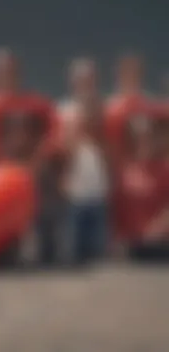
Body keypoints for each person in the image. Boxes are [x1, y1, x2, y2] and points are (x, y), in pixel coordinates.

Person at [0, 47, 59, 265]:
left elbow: (52, 135)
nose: (4, 76)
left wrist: (36, 161)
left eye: (8, 71)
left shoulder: (35, 104)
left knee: (42, 207)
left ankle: (48, 250)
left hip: (34, 169)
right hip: (1, 174)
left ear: (17, 73)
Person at [60, 59, 109, 265]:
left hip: (99, 190)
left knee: (98, 253)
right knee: (74, 250)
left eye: (89, 79)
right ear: (72, 82)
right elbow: (60, 149)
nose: (85, 83)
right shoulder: (64, 110)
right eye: (80, 79)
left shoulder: (106, 109)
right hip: (75, 191)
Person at [114, 113, 169, 261]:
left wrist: (156, 229)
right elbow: (116, 208)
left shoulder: (164, 169)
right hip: (129, 245)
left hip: (159, 244)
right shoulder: (124, 170)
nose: (144, 143)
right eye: (138, 139)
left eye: (148, 138)